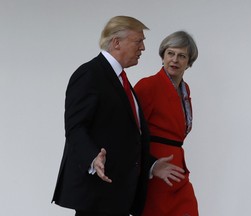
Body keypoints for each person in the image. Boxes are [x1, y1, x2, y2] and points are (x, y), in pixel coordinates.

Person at [52, 16, 185, 216]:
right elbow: (75, 127)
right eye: (138, 41)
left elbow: (126, 138)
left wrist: (152, 165)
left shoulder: (121, 81)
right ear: (116, 42)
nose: (143, 48)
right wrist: (92, 157)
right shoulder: (90, 74)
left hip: (118, 196)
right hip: (98, 195)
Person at [134, 31, 199, 216]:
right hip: (157, 172)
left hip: (179, 170)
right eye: (170, 53)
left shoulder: (185, 90)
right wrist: (150, 165)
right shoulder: (148, 86)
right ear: (163, 56)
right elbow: (131, 131)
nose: (175, 60)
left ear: (189, 62)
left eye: (182, 56)